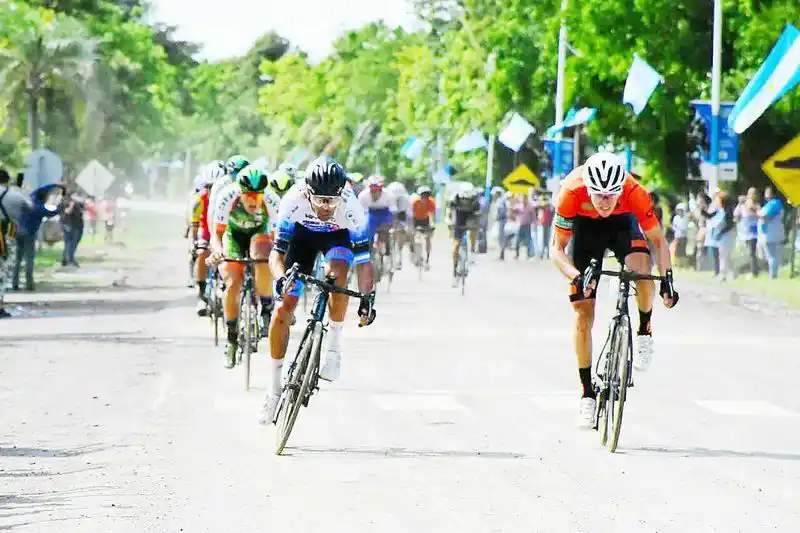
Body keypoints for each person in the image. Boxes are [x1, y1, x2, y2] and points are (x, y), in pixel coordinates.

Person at [550, 152, 679, 428]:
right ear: (588, 189)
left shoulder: (635, 193)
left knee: (643, 270)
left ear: (621, 188)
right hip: (586, 230)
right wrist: (577, 276)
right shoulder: (571, 192)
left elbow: (658, 241)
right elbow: (556, 250)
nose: (606, 201)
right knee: (583, 315)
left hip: (622, 224)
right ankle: (587, 393)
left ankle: (644, 330)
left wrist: (666, 278)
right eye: (599, 195)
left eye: (612, 194)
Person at [260, 157, 376, 424]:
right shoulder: (292, 201)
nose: (326, 207)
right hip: (302, 239)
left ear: (341, 195)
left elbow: (364, 262)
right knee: (282, 308)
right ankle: (274, 389)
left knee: (338, 276)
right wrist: (280, 279)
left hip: (338, 237)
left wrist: (368, 298)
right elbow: (277, 253)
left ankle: (334, 348)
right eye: (320, 200)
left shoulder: (351, 207)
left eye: (331, 201)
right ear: (307, 192)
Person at [207, 166, 280, 368]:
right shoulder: (226, 196)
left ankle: (266, 307)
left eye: (258, 196)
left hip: (260, 233)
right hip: (233, 235)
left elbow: (279, 237)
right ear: (239, 192)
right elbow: (217, 234)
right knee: (232, 282)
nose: (253, 201)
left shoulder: (273, 200)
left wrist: (278, 256)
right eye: (248, 196)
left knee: (262, 257)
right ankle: (231, 340)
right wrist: (218, 251)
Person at [12, 183, 64, 291]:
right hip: (29, 234)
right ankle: (29, 283)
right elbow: (54, 212)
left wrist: (54, 185)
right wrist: (61, 204)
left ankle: (15, 283)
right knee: (29, 259)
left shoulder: (29, 200)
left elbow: (40, 189)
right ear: (44, 197)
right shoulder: (40, 208)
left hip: (18, 232)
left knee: (17, 259)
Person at [190, 164, 225, 315]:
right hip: (205, 231)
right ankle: (202, 295)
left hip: (223, 231)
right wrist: (194, 242)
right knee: (202, 252)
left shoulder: (229, 197)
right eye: (209, 187)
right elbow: (194, 223)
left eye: (216, 186)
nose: (213, 191)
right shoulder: (199, 199)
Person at [358, 176, 397, 270]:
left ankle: (387, 250)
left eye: (377, 191)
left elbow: (394, 211)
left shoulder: (388, 195)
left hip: (385, 213)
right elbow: (359, 212)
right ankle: (369, 251)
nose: (374, 193)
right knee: (368, 231)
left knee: (385, 232)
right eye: (372, 191)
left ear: (381, 190)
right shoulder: (363, 195)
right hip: (371, 213)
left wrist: (393, 225)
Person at [447, 183, 481, 286]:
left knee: (473, 231)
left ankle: (473, 250)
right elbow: (449, 213)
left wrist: (475, 227)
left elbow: (478, 216)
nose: (465, 201)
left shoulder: (475, 201)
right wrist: (449, 222)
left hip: (471, 217)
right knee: (456, 246)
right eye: (464, 199)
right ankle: (455, 270)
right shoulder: (454, 199)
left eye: (468, 199)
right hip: (459, 218)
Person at [386, 181, 411, 269]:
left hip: (401, 214)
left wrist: (403, 227)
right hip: (390, 215)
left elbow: (405, 215)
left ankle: (399, 252)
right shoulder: (388, 198)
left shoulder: (405, 199)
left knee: (401, 232)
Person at [410, 185, 436, 269]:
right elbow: (411, 216)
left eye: (426, 196)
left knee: (427, 238)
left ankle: (427, 259)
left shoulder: (431, 202)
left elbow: (432, 215)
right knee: (415, 237)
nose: (424, 198)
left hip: (425, 220)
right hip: (415, 220)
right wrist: (412, 227)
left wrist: (432, 225)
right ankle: (414, 254)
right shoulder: (415, 202)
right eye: (422, 196)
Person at [60, 186, 85, 267]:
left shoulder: (74, 202)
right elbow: (67, 212)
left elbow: (83, 209)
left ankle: (66, 259)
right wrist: (72, 205)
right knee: (71, 243)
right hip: (71, 225)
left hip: (74, 225)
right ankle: (70, 260)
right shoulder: (66, 202)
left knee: (69, 243)